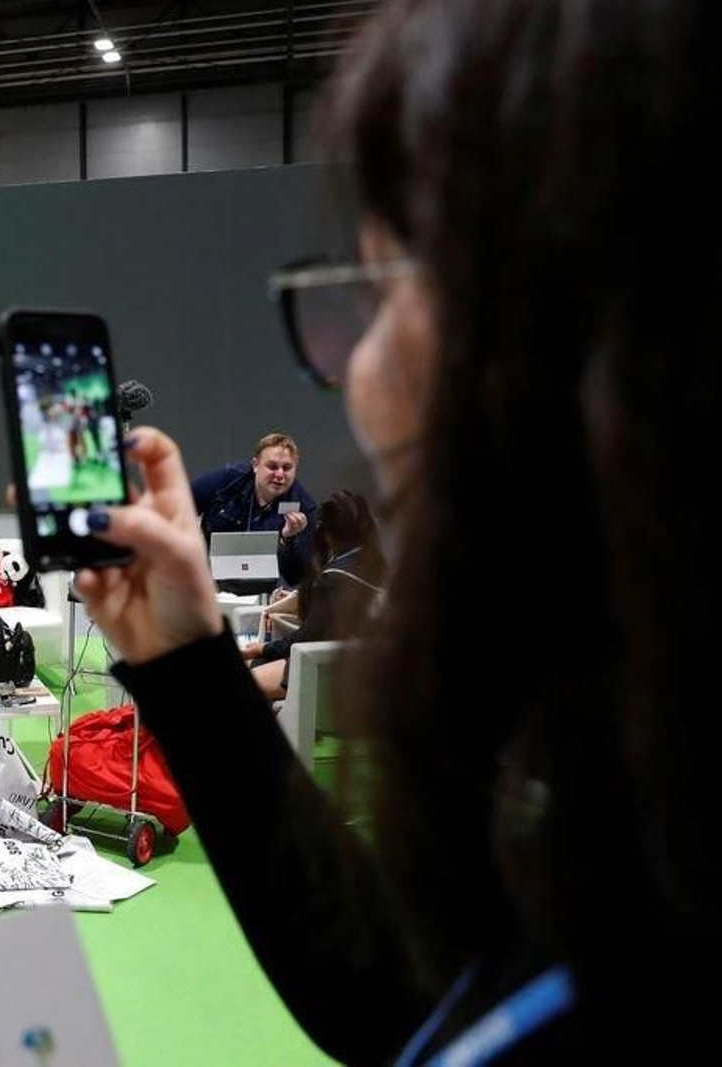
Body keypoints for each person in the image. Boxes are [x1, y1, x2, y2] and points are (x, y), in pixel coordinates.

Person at [67, 1, 720, 1060]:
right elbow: (417, 993)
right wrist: (184, 662)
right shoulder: (635, 820)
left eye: (396, 279)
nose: (359, 383)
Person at [244, 488, 384, 700]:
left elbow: (307, 639)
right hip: (365, 667)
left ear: (325, 532)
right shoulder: (378, 565)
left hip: (325, 668)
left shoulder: (334, 578)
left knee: (233, 683)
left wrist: (261, 648)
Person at [191, 432, 317, 587]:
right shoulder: (228, 481)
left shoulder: (304, 507)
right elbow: (181, 503)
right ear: (255, 465)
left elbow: (296, 576)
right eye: (272, 466)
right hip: (211, 580)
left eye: (287, 468)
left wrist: (288, 539)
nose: (279, 475)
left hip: (265, 590)